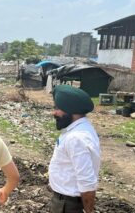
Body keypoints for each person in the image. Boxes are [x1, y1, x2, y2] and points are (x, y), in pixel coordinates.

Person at [48, 85, 101, 213]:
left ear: (70, 110)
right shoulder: (81, 129)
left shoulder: (76, 138)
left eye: (57, 109)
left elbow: (86, 182)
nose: (54, 113)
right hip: (65, 203)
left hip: (68, 206)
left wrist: (89, 211)